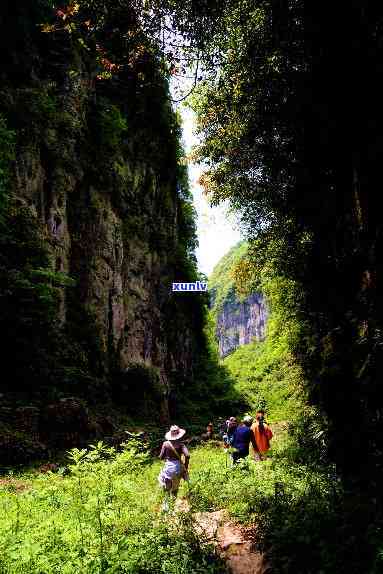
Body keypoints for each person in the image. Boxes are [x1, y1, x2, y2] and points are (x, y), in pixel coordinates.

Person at [158, 425, 190, 511]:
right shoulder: (181, 445)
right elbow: (187, 455)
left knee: (167, 488)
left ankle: (165, 507)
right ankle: (172, 507)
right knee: (175, 489)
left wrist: (166, 456)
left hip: (168, 467)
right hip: (177, 468)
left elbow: (160, 457)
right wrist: (186, 467)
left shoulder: (165, 444)